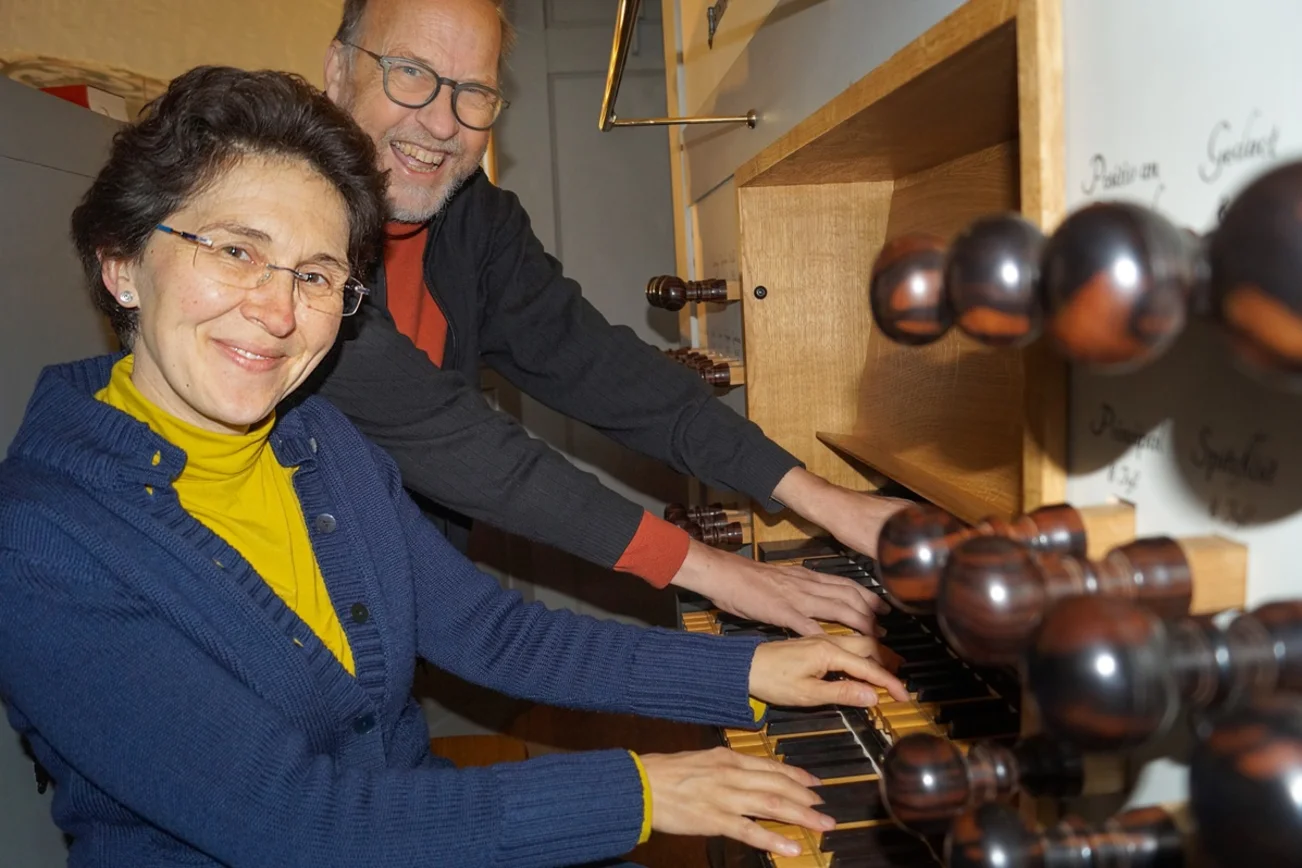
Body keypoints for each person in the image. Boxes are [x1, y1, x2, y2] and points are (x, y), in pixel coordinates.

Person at [0, 66, 908, 867]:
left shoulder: (318, 442)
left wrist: (744, 670)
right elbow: (299, 825)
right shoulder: (42, 543)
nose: (278, 312)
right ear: (121, 264)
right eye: (238, 251)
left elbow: (493, 632)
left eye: (316, 276)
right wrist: (640, 792)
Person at [309, 0, 912, 638]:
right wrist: (715, 572)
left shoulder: (476, 219)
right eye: (409, 72)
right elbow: (454, 439)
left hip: (401, 600)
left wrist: (819, 497)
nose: (440, 123)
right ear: (339, 69)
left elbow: (600, 367)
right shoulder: (288, 240)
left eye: (474, 92)